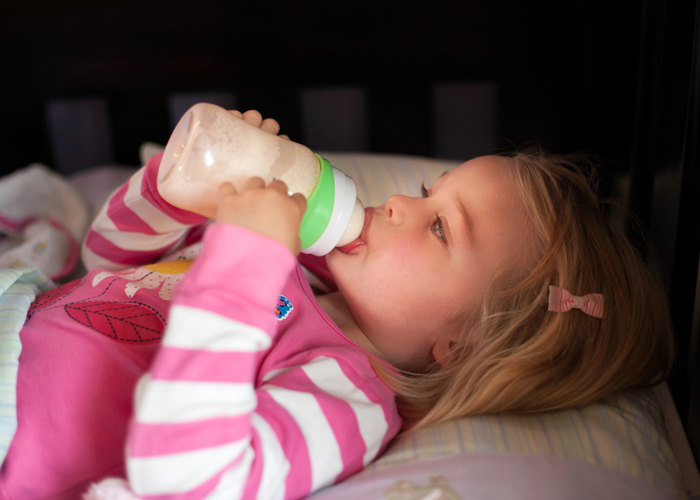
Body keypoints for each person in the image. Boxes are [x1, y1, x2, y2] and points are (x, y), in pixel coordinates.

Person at [0, 110, 674, 500]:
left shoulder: (346, 396)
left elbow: (185, 478)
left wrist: (243, 264)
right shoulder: (299, 260)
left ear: (459, 344)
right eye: (428, 191)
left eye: (441, 227)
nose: (404, 204)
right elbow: (107, 267)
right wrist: (182, 193)